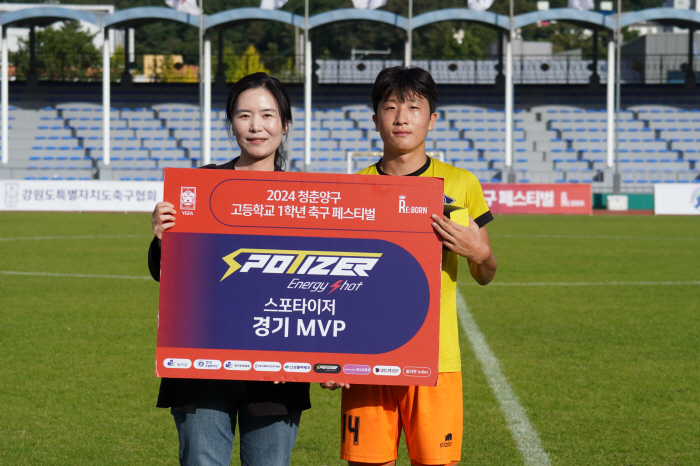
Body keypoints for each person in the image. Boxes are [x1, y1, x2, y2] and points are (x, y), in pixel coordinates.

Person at [322, 66, 498, 466]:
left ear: (432, 118)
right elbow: (337, 281)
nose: (402, 118)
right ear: (375, 118)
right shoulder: (354, 188)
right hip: (368, 359)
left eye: (414, 108)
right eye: (390, 108)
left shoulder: (460, 183)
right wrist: (333, 354)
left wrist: (479, 253)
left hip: (437, 359)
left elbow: (486, 274)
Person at [148, 72, 311, 466]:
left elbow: (315, 286)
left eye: (268, 115)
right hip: (200, 369)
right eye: (244, 115)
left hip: (277, 373)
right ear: (230, 123)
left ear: (285, 124)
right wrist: (160, 238)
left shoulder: (307, 200)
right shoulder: (200, 186)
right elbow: (164, 273)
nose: (256, 126)